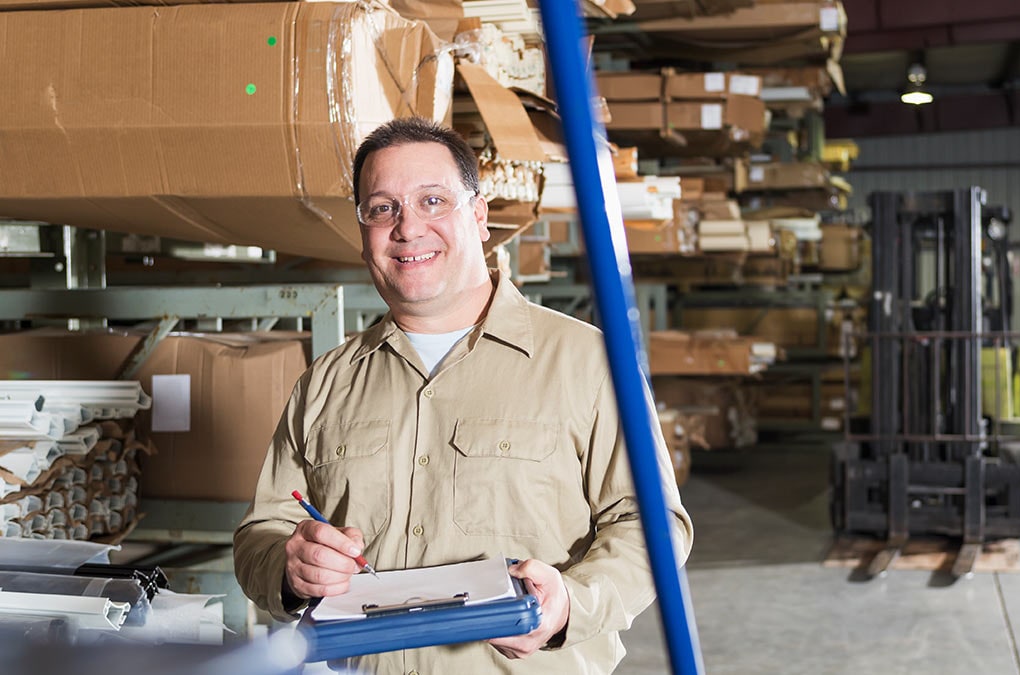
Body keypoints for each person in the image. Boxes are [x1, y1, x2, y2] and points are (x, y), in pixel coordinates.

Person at [232, 117, 693, 674]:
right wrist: (290, 565)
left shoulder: (587, 361)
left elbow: (652, 524)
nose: (406, 228)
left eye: (432, 201)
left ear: (479, 217)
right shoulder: (325, 383)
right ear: (363, 233)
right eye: (381, 209)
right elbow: (263, 529)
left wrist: (573, 602)